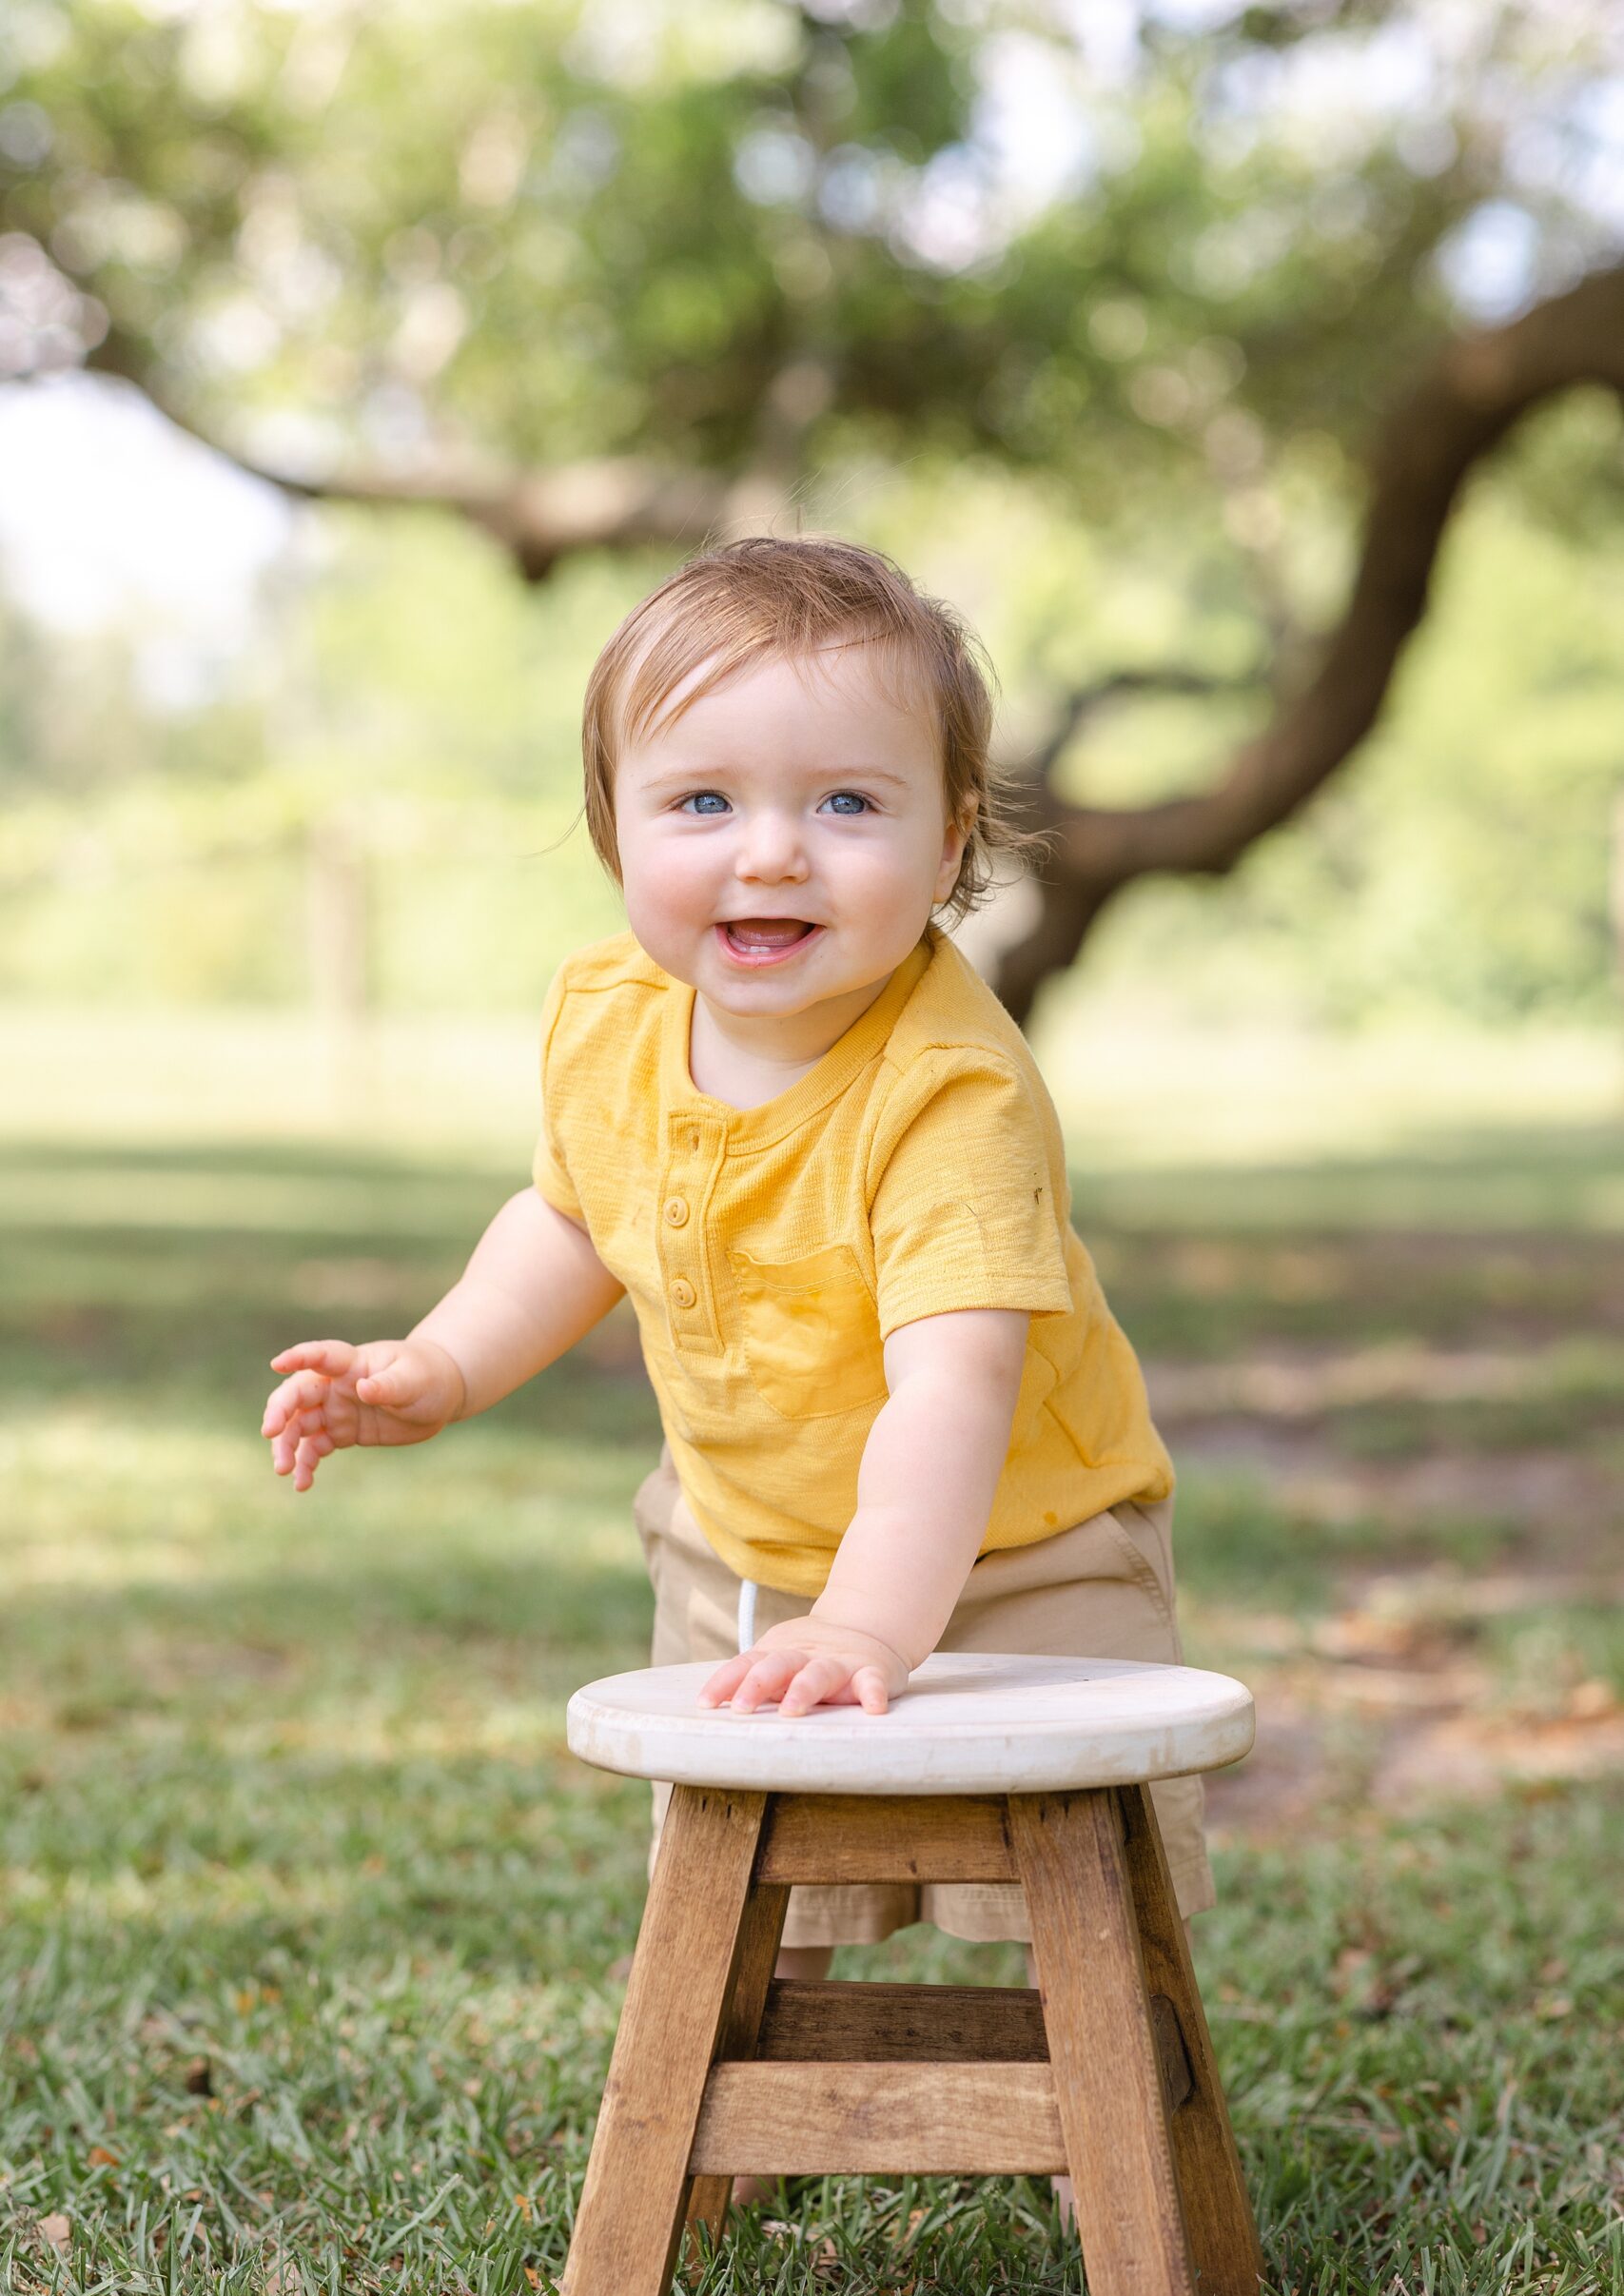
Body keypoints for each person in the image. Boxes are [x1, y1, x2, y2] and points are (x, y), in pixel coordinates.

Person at [261, 534, 1212, 2034]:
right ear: (615, 829)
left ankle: (1119, 2118)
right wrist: (437, 1367)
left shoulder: (948, 1095)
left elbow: (953, 1392)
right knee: (753, 1896)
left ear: (953, 839)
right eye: (704, 800)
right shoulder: (609, 1015)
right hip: (743, 1546)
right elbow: (573, 1217)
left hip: (1024, 1559)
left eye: (846, 801)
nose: (772, 850)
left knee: (1077, 1906)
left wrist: (870, 1629)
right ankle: (727, 2106)